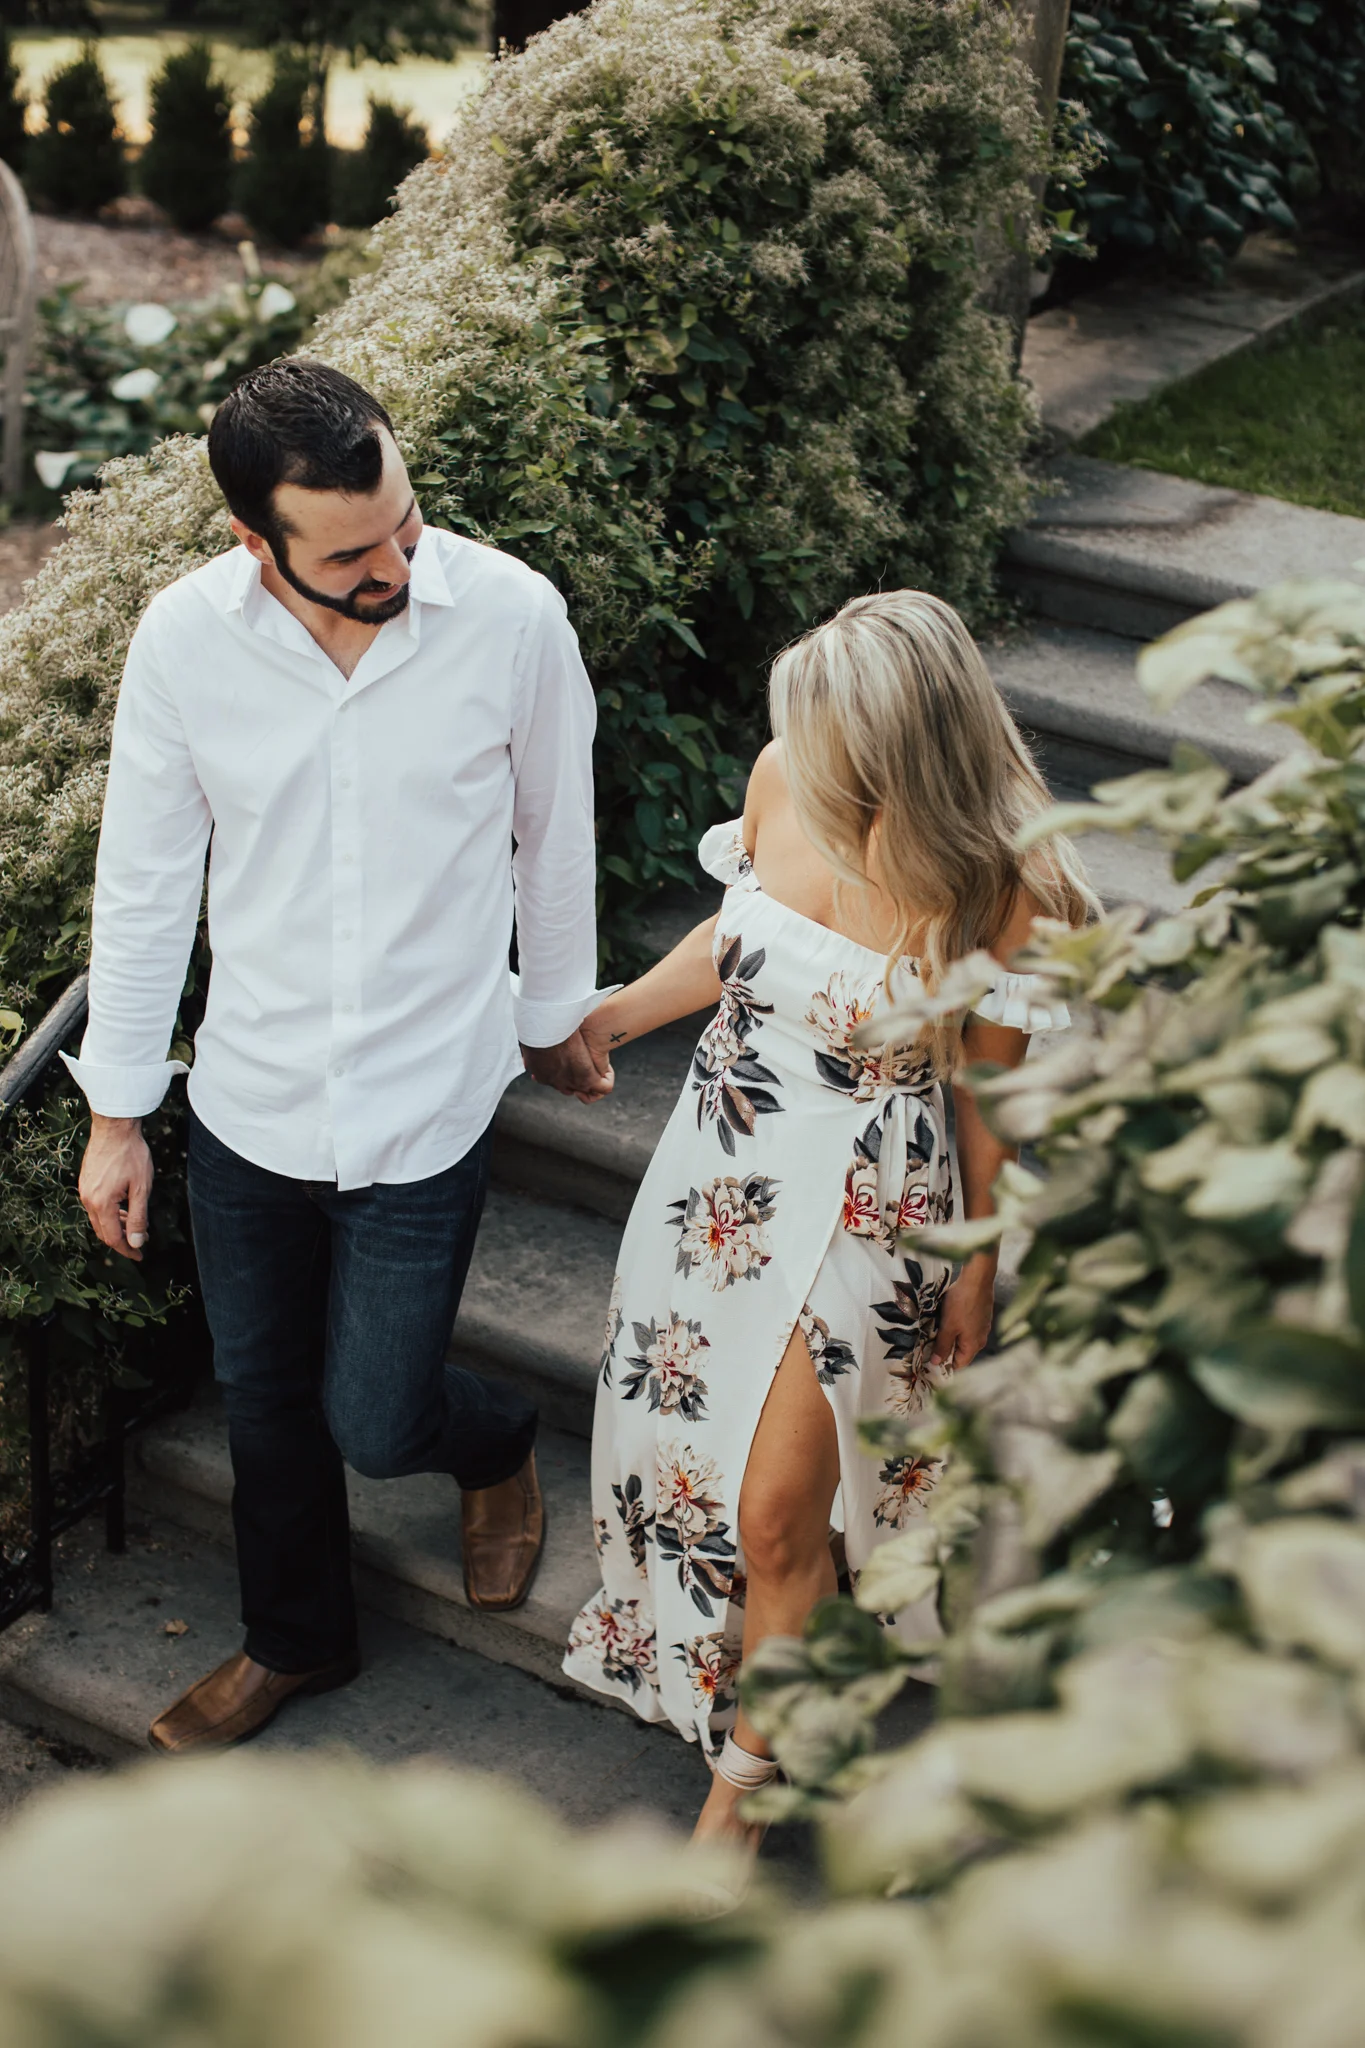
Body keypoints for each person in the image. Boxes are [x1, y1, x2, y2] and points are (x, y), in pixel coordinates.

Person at [66, 359, 610, 1753]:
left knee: (373, 1413)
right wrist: (119, 1112)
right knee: (263, 1398)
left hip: (428, 1098)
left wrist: (552, 1016)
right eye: (356, 555)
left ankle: (487, 1445)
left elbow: (556, 839)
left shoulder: (510, 620)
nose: (397, 564)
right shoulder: (187, 642)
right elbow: (142, 884)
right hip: (251, 1096)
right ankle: (295, 1641)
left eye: (407, 526)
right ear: (257, 543)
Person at [564, 589, 1097, 1846]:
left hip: (868, 1200)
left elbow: (986, 1086)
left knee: (775, 1509)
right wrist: (618, 1013)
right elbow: (738, 933)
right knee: (678, 1432)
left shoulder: (1006, 880)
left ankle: (736, 1803)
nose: (804, 763)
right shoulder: (780, 775)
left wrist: (978, 1265)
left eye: (832, 744)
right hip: (718, 1162)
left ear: (905, 751)